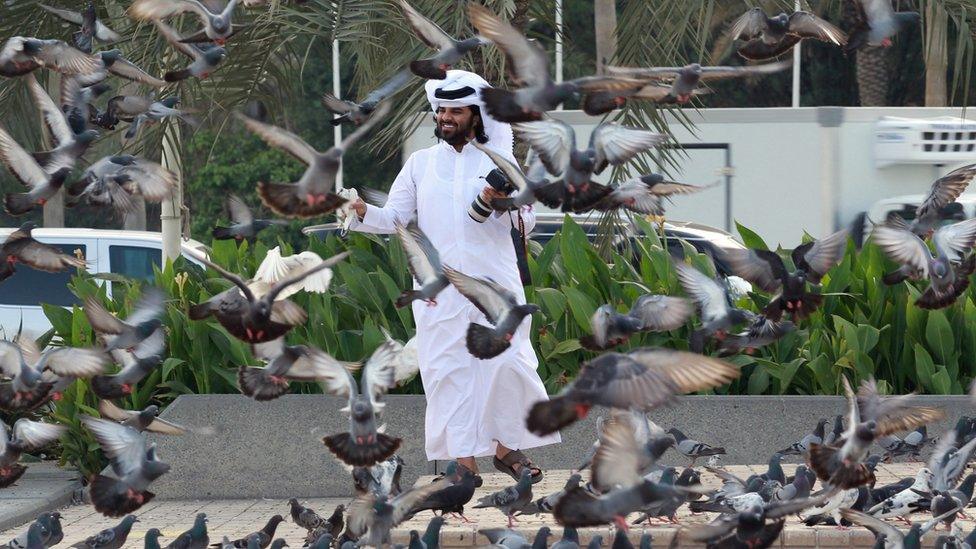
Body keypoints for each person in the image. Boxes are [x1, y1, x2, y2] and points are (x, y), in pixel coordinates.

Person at [346, 70, 559, 482]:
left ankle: (505, 448)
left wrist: (500, 203)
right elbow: (394, 218)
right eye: (441, 110)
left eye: (455, 110)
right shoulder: (420, 164)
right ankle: (463, 464)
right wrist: (361, 213)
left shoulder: (501, 161)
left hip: (495, 285)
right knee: (447, 371)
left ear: (475, 115)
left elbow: (528, 220)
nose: (446, 117)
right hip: (440, 291)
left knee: (508, 365)